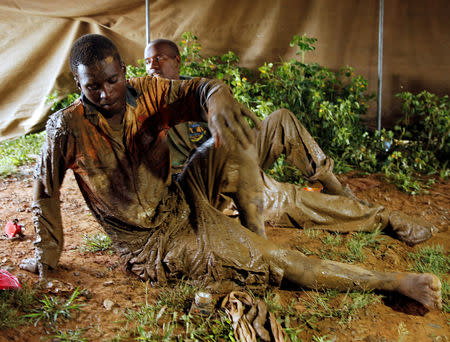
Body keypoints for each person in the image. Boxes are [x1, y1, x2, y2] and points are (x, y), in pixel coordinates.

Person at [20, 34, 441, 312]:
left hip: (184, 194)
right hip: (155, 241)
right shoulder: (67, 127)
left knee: (245, 141)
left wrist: (218, 103)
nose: (105, 93)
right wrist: (45, 255)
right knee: (279, 259)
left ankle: (278, 230)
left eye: (112, 81)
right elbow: (44, 190)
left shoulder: (146, 91)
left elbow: (203, 88)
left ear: (123, 73)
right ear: (78, 85)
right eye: (92, 86)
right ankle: (393, 281)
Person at [143, 39, 437, 245]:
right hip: (203, 188)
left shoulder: (201, 90)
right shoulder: (142, 105)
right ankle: (386, 220)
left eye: (160, 58)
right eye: (147, 61)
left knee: (281, 119)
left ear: (177, 61)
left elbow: (231, 126)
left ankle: (337, 189)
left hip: (230, 163)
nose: (152, 66)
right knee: (292, 200)